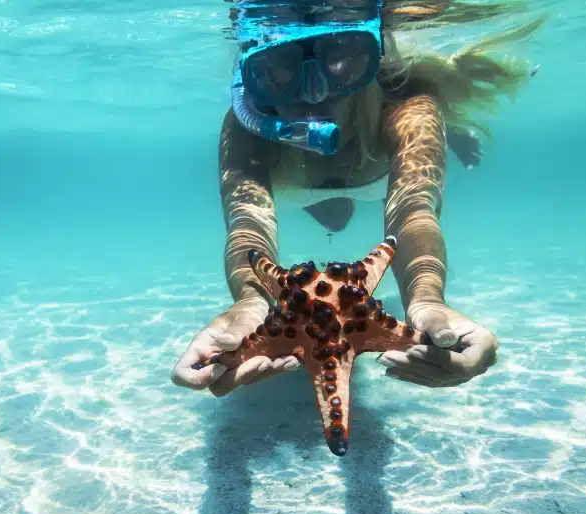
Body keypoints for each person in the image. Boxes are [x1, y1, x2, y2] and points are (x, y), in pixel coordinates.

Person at [172, 0, 543, 396]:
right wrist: (249, 302)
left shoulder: (407, 108)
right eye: (279, 67)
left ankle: (455, 131)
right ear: (250, 77)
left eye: (342, 58)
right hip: (305, 185)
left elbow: (414, 209)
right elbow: (247, 220)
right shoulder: (246, 129)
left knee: (406, 143)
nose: (315, 94)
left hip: (374, 158)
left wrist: (426, 301)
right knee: (335, 218)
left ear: (372, 56)